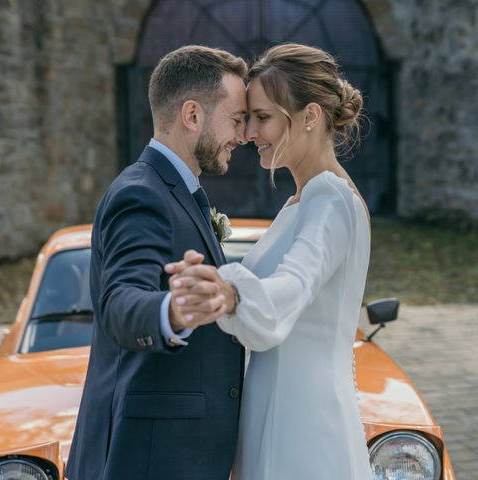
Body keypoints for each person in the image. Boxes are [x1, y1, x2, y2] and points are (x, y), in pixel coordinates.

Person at [166, 43, 373, 479]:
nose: (248, 133)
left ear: (310, 117)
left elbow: (293, 285)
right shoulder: (302, 202)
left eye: (262, 117)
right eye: (247, 118)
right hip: (275, 410)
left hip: (299, 423)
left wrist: (232, 292)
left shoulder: (330, 200)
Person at [66, 45, 248, 480]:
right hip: (148, 459)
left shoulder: (174, 192)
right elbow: (120, 302)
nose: (242, 136)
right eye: (236, 119)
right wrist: (171, 311)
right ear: (192, 115)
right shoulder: (142, 193)